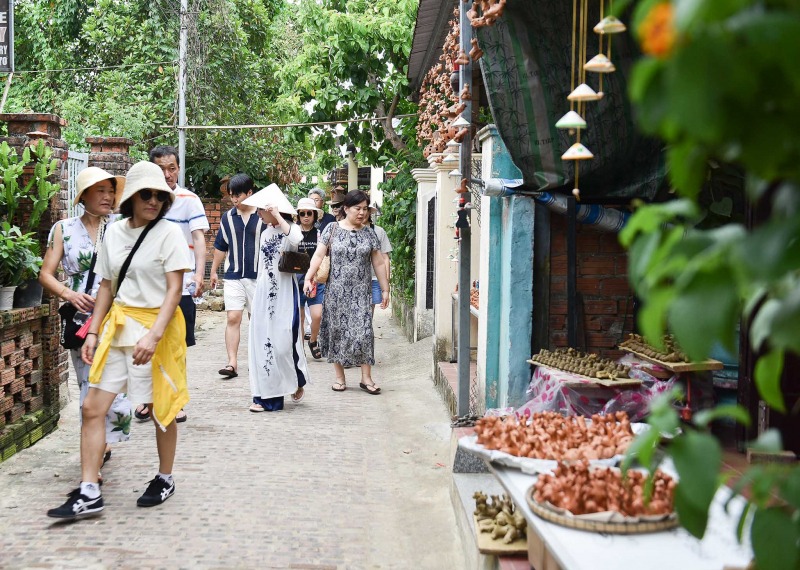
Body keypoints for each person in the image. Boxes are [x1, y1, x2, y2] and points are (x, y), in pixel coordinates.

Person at [47, 161, 191, 520]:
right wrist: (93, 332)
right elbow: (107, 287)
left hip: (156, 329)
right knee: (91, 408)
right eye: (147, 194)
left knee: (162, 410)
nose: (154, 201)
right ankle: (89, 490)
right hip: (118, 327)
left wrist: (154, 336)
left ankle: (164, 477)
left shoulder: (169, 234)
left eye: (160, 195)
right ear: (132, 198)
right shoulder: (114, 233)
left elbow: (175, 290)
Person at [39, 167, 132, 466]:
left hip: (116, 318)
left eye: (110, 190)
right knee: (89, 386)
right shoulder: (63, 229)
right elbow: (45, 274)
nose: (108, 196)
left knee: (115, 386)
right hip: (82, 322)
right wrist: (69, 295)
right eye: (100, 191)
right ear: (84, 197)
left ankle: (102, 442)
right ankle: (94, 452)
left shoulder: (121, 226)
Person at [132, 146, 209, 423]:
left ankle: (176, 399)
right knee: (143, 340)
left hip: (182, 285)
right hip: (147, 287)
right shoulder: (140, 200)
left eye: (172, 168)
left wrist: (198, 275)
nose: (168, 174)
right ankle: (147, 399)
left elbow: (199, 238)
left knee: (178, 345)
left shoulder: (189, 200)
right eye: (162, 169)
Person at [303, 190, 390, 395]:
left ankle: (366, 378)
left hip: (362, 292)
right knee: (338, 333)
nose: (361, 213)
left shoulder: (370, 232)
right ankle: (340, 378)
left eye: (364, 209)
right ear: (346, 208)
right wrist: (309, 277)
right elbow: (318, 255)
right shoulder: (332, 229)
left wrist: (385, 289)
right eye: (357, 208)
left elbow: (378, 262)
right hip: (336, 293)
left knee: (364, 333)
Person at [243, 184, 310, 411]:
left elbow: (297, 238)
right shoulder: (264, 233)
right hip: (264, 292)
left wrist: (278, 217)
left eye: (261, 210)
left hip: (285, 293)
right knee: (263, 342)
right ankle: (265, 396)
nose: (258, 213)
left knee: (283, 343)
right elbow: (262, 267)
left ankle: (296, 379)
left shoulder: (288, 228)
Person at [209, 173, 263, 378]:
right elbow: (221, 246)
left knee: (256, 319)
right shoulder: (227, 218)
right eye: (231, 196)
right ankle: (232, 363)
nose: (234, 200)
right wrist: (214, 270)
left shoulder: (263, 216)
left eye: (237, 195)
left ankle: (257, 360)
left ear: (250, 193)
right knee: (233, 317)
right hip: (233, 276)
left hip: (258, 277)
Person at [295, 197, 326, 360]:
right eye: (302, 213)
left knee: (317, 315)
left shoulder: (320, 234)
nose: (306, 216)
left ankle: (313, 340)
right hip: (296, 280)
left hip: (315, 281)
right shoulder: (293, 233)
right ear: (298, 215)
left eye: (309, 213)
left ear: (314, 215)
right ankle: (299, 350)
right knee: (298, 317)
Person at [368, 203, 392, 316]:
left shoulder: (379, 231)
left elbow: (385, 258)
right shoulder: (348, 230)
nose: (362, 212)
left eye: (365, 209)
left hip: (374, 278)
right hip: (354, 279)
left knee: (370, 310)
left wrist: (386, 283)